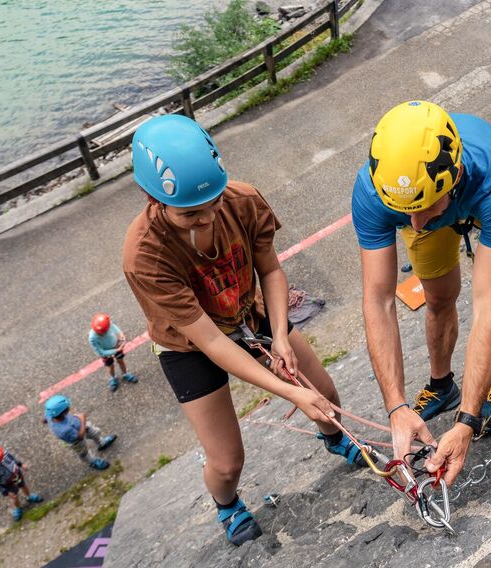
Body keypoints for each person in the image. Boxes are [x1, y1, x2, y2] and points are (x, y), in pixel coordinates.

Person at [122, 114, 366, 546]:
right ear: (151, 197)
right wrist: (290, 392)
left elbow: (270, 271)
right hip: (188, 344)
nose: (207, 218)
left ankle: (332, 437)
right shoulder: (146, 255)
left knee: (325, 394)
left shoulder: (243, 201)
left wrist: (281, 335)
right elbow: (212, 342)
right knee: (227, 459)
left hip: (247, 311)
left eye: (213, 202)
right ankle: (227, 504)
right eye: (190, 214)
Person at [351, 101, 491, 485]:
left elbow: (488, 306)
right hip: (444, 200)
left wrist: (467, 422)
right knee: (438, 297)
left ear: (455, 175)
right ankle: (441, 385)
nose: (414, 224)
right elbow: (379, 300)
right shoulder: (374, 191)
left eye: (423, 208)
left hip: (480, 194)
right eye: (405, 211)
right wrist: (395, 407)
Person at [43, 394, 116, 471]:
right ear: (65, 412)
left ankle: (102, 443)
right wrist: (82, 419)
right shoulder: (65, 430)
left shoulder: (51, 415)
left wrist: (46, 420)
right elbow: (80, 436)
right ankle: (92, 462)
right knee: (84, 453)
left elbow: (46, 418)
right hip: (76, 441)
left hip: (79, 426)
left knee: (95, 433)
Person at [0, 444, 43, 522]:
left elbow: (13, 459)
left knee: (23, 485)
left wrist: (21, 465)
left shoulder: (3, 454)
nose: (2, 458)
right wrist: (7, 493)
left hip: (16, 474)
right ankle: (17, 508)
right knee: (14, 497)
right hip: (7, 484)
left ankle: (28, 496)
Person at [89, 312, 138, 392]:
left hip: (116, 345)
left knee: (121, 361)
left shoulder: (108, 324)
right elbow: (101, 352)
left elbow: (117, 330)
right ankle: (113, 377)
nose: (103, 334)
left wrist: (122, 336)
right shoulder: (92, 338)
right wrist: (116, 350)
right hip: (107, 353)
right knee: (110, 366)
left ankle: (125, 374)